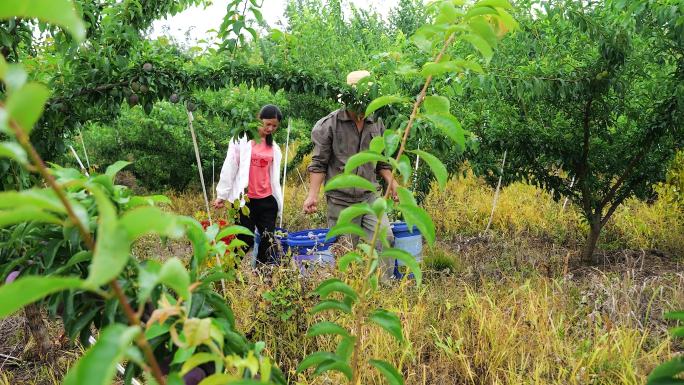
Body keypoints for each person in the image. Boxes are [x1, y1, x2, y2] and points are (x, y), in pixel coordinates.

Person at [303, 70, 398, 279]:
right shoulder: (329, 125)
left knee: (385, 238)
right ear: (348, 98)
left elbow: (381, 160)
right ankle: (348, 298)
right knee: (346, 249)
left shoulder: (377, 123)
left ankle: (383, 292)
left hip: (369, 196)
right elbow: (318, 163)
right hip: (341, 199)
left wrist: (392, 182)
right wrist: (312, 195)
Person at [213, 104, 284, 265]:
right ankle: (230, 270)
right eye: (268, 124)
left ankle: (262, 276)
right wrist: (222, 195)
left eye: (274, 126)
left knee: (268, 241)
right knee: (245, 238)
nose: (271, 128)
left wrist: (278, 202)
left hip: (267, 200)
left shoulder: (274, 148)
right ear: (259, 119)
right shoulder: (242, 141)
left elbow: (275, 179)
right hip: (246, 201)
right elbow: (230, 165)